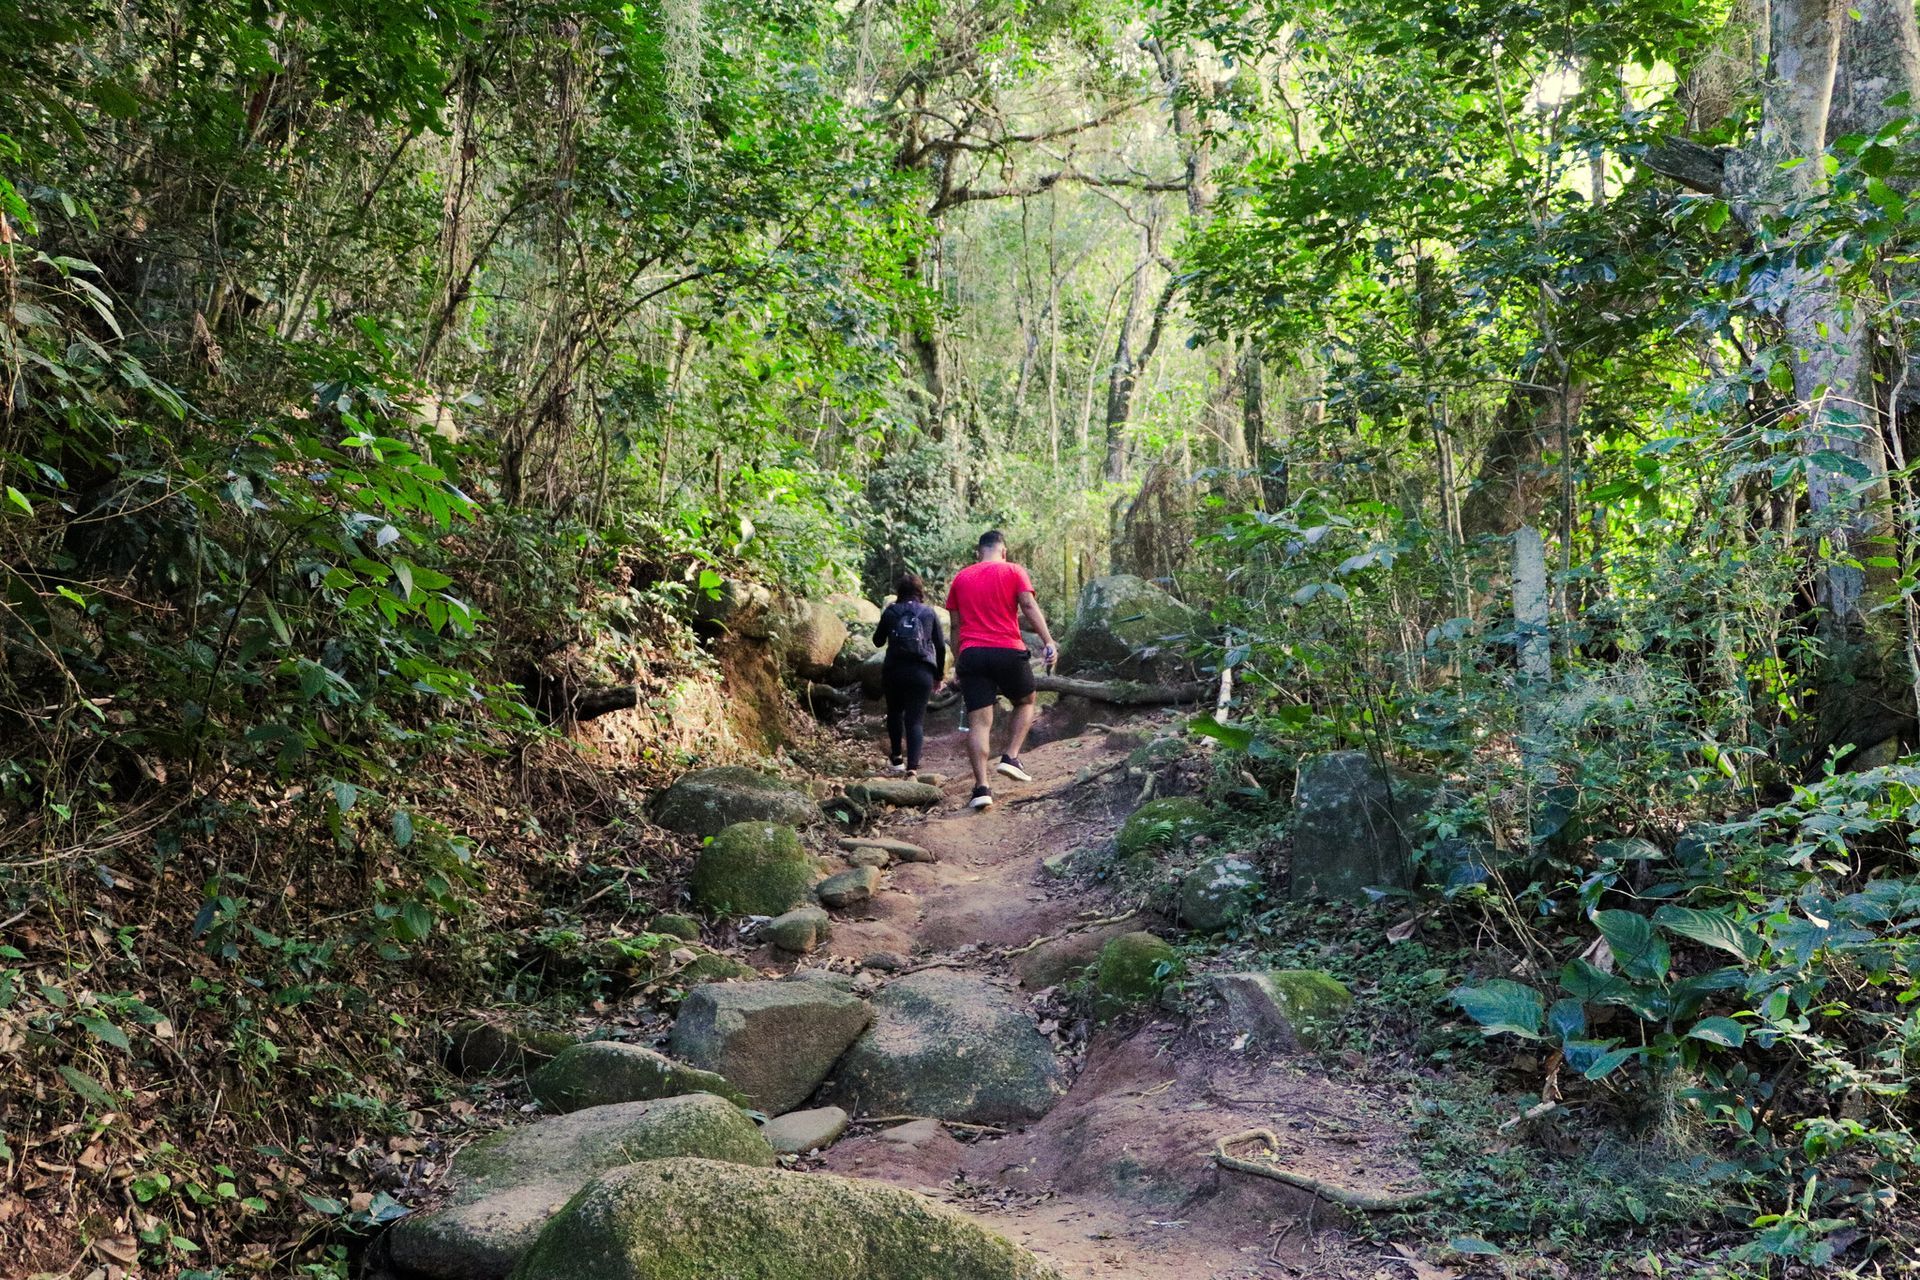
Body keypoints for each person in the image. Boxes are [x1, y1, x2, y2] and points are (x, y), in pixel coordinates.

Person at [944, 530, 1059, 810]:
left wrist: (959, 661)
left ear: (979, 552)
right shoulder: (1014, 571)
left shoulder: (961, 578)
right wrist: (1048, 641)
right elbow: (1028, 605)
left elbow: (956, 626)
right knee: (1026, 700)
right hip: (1008, 649)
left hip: (972, 653)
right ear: (1004, 551)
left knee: (979, 722)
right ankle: (1011, 757)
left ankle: (982, 788)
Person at [872, 572, 946, 776]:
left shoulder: (891, 611)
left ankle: (897, 759)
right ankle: (913, 767)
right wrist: (939, 676)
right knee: (915, 720)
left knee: (895, 712)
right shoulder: (929, 612)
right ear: (920, 591)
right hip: (921, 672)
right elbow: (940, 646)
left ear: (899, 591)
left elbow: (877, 641)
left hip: (894, 670)